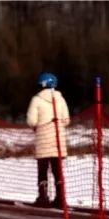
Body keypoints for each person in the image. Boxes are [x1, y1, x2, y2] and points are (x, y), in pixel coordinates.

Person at [26, 72, 70, 208]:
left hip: (43, 139)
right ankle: (60, 199)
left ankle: (43, 197)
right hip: (58, 139)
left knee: (43, 170)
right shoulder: (61, 99)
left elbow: (31, 120)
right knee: (58, 171)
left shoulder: (36, 99)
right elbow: (66, 120)